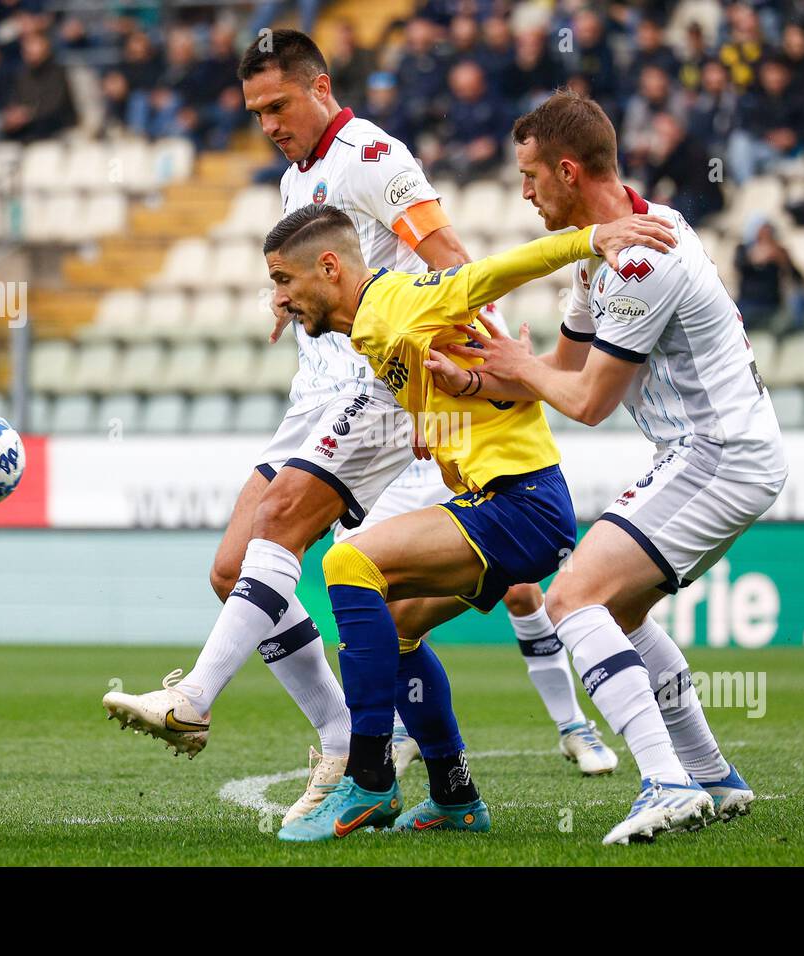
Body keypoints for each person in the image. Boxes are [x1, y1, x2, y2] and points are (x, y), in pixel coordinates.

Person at [100, 30, 670, 826]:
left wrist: (493, 360)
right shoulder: (296, 182)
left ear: (320, 86)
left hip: (377, 381)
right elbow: (312, 257)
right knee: (235, 569)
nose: (267, 123)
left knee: (302, 537)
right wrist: (285, 296)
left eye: (277, 105)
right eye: (254, 111)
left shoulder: (371, 154)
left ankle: (222, 706)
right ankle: (350, 736)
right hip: (319, 386)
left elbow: (451, 257)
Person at [424, 92, 783, 844]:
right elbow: (558, 368)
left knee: (570, 600)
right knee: (616, 612)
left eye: (529, 176)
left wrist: (521, 366)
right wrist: (479, 380)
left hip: (719, 457)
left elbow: (584, 402)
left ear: (566, 169)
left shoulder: (642, 259)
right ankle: (712, 776)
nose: (522, 192)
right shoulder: (604, 248)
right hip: (709, 454)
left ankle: (667, 783)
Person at [261, 204, 658, 842]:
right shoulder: (374, 330)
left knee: (347, 562)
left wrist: (589, 240)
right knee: (395, 629)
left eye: (284, 280)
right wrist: (443, 406)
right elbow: (464, 380)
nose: (278, 298)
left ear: (328, 268)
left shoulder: (396, 302)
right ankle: (454, 796)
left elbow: (488, 274)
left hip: (519, 504)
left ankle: (368, 776)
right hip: (512, 505)